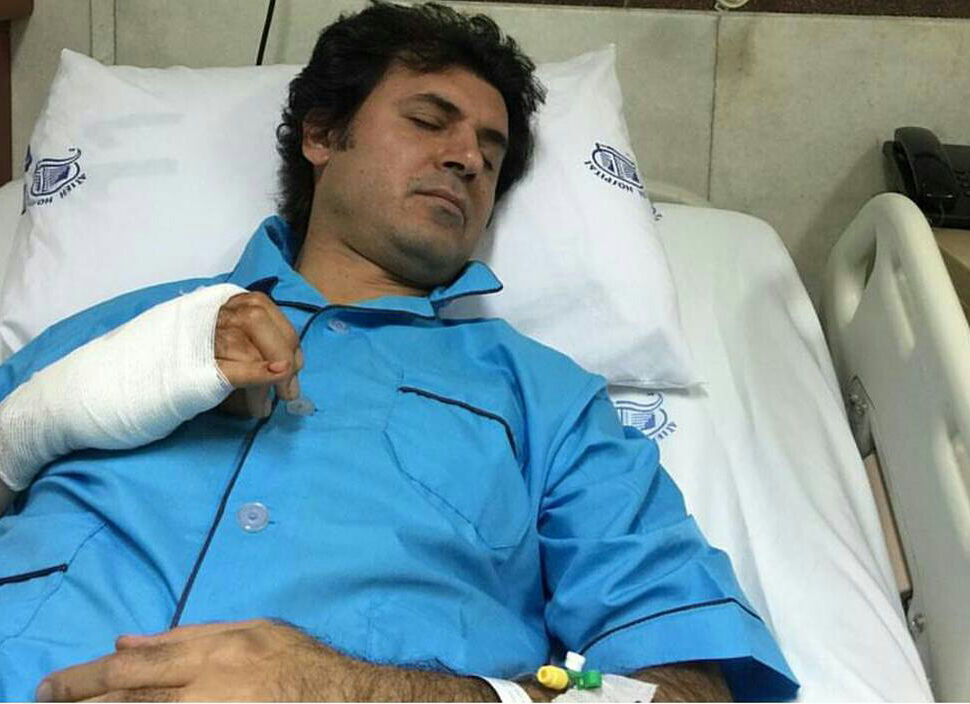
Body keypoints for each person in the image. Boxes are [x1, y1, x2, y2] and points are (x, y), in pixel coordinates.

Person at [0, 3, 798, 701]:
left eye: (490, 150)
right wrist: (140, 372)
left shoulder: (549, 403)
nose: (468, 158)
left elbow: (682, 691)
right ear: (322, 134)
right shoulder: (130, 332)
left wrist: (345, 690)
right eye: (428, 120)